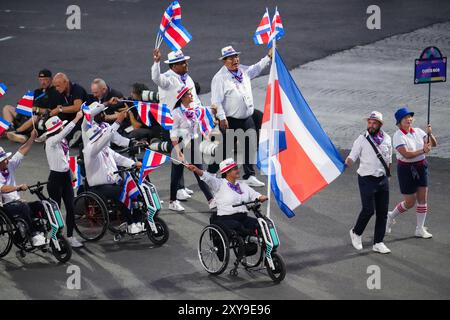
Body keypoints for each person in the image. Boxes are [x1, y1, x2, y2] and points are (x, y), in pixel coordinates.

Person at [208, 45, 272, 187]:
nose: (235, 60)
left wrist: (268, 57)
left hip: (247, 117)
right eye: (230, 58)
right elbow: (216, 101)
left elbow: (256, 68)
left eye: (236, 56)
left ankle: (249, 175)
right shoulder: (220, 78)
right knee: (225, 148)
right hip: (230, 119)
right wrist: (222, 117)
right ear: (224, 61)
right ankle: (211, 172)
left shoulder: (243, 70)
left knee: (250, 145)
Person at [83, 111, 143, 234]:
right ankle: (130, 223)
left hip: (112, 182)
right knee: (123, 192)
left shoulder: (104, 148)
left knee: (135, 189)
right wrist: (118, 121)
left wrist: (133, 164)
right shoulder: (90, 150)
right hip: (98, 186)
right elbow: (107, 137)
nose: (103, 139)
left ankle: (138, 220)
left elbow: (118, 158)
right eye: (101, 137)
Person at [151, 49, 198, 200]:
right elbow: (156, 78)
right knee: (177, 157)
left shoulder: (187, 78)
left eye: (185, 61)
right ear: (173, 66)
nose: (186, 64)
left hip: (187, 123)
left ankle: (181, 186)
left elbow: (194, 99)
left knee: (184, 155)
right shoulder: (167, 79)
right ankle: (177, 190)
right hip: (172, 124)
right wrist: (156, 62)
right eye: (182, 63)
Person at [386, 107, 437, 238]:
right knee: (410, 202)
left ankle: (419, 229)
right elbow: (406, 154)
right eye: (405, 118)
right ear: (399, 121)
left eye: (410, 117)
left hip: (421, 167)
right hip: (406, 169)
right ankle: (390, 216)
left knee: (422, 199)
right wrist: (423, 151)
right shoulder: (398, 136)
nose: (409, 119)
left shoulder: (419, 131)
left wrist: (430, 134)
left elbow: (433, 144)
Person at [187, 158, 268, 241]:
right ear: (227, 172)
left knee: (260, 224)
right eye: (234, 169)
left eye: (237, 168)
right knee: (239, 227)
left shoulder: (242, 185)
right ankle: (249, 238)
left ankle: (267, 249)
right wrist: (196, 170)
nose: (238, 170)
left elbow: (253, 193)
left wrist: (260, 196)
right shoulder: (219, 184)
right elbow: (207, 177)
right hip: (226, 218)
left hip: (243, 217)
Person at [346, 111, 392, 254]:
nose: (371, 125)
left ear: (379, 124)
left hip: (382, 179)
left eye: (374, 123)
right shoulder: (361, 139)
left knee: (382, 212)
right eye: (369, 123)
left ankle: (378, 242)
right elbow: (351, 157)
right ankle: (356, 232)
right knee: (368, 210)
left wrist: (388, 176)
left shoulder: (387, 139)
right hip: (366, 179)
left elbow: (389, 159)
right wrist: (341, 163)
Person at [169, 85, 215, 212]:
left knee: (200, 172)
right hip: (181, 145)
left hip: (193, 144)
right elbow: (173, 134)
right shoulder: (176, 113)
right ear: (182, 98)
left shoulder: (195, 108)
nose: (191, 95)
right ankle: (172, 201)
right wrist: (178, 152)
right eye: (189, 94)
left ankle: (211, 200)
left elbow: (202, 118)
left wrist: (206, 135)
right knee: (176, 176)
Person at [44, 110, 84, 248]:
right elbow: (65, 132)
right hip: (55, 180)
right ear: (58, 128)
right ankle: (54, 237)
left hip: (65, 177)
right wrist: (77, 117)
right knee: (56, 212)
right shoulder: (50, 141)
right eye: (61, 126)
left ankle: (70, 236)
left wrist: (71, 172)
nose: (63, 127)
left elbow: (64, 158)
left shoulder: (62, 141)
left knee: (71, 208)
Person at [0, 130, 47, 246]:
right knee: (23, 207)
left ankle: (39, 231)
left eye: (5, 158)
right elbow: (2, 189)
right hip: (4, 207)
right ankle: (33, 235)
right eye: (3, 160)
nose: (7, 160)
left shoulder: (9, 165)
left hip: (16, 203)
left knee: (41, 205)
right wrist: (18, 188)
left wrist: (31, 138)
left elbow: (21, 151)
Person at [4, 69, 61, 143]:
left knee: (34, 118)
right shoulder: (37, 92)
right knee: (7, 108)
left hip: (37, 119)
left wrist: (36, 109)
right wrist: (22, 103)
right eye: (41, 80)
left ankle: (16, 132)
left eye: (45, 80)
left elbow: (51, 111)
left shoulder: (54, 92)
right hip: (27, 115)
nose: (43, 82)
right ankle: (10, 128)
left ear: (51, 79)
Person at [51, 72, 88, 146]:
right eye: (55, 86)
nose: (56, 88)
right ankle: (72, 136)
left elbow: (77, 108)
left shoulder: (77, 89)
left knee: (68, 133)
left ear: (66, 82)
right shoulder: (60, 91)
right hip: (70, 116)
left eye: (58, 86)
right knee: (57, 119)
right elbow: (59, 106)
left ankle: (77, 137)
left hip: (82, 116)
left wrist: (59, 109)